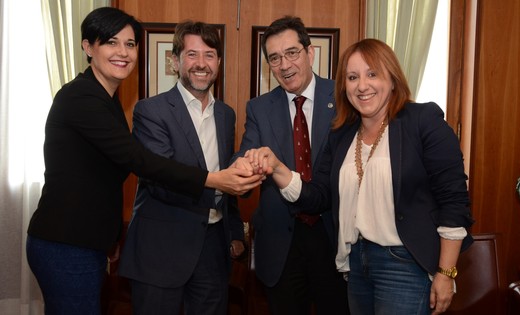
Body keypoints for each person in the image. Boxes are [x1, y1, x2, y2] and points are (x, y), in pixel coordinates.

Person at [26, 8, 261, 315]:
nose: (123, 52)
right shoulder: (83, 97)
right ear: (88, 47)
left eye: (130, 44)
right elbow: (142, 162)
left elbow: (104, 176)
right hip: (68, 242)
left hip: (94, 241)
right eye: (112, 42)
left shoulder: (107, 100)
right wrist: (215, 180)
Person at [244, 38, 475, 315]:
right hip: (355, 267)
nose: (362, 85)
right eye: (352, 77)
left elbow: (453, 200)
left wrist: (445, 272)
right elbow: (318, 197)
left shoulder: (422, 120)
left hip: (404, 265)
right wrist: (279, 168)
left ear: (392, 78)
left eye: (372, 74)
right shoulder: (342, 134)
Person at [118, 20, 244, 315]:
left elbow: (227, 175)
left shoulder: (226, 115)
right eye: (192, 54)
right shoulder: (151, 111)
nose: (201, 64)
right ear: (175, 61)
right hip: (161, 249)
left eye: (210, 55)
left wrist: (235, 231)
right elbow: (161, 179)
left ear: (219, 62)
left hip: (213, 248)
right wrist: (219, 183)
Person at [232, 16, 349, 315]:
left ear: (310, 53)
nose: (284, 65)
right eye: (274, 58)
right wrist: (246, 165)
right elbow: (246, 154)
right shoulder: (259, 108)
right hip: (281, 242)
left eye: (292, 53)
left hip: (333, 234)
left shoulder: (343, 96)